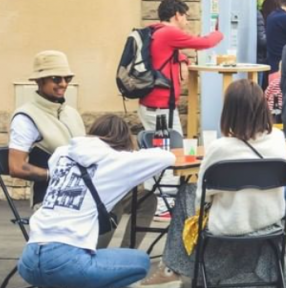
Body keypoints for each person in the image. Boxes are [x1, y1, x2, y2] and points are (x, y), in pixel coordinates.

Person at [138, 80, 286, 287]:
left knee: (186, 193)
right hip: (269, 220)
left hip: (229, 224)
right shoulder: (278, 139)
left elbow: (203, 196)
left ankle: (171, 268)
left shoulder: (220, 148)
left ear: (230, 112)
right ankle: (173, 268)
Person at [17, 115, 174, 288]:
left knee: (140, 201)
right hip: (65, 261)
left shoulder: (61, 153)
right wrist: (130, 152)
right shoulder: (115, 160)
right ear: (122, 141)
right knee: (141, 262)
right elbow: (166, 157)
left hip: (29, 260)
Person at [140, 0, 223, 137]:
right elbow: (204, 43)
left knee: (160, 151)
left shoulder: (155, 30)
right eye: (185, 16)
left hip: (151, 104)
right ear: (177, 15)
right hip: (160, 108)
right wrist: (218, 33)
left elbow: (162, 54)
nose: (187, 21)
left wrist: (183, 60)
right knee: (176, 151)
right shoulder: (169, 32)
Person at [9, 51, 86, 187]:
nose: (63, 84)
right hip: (49, 200)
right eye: (56, 78)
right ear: (39, 81)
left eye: (67, 79)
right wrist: (57, 175)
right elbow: (16, 167)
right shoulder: (26, 117)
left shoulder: (72, 113)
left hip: (83, 190)